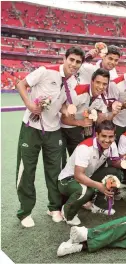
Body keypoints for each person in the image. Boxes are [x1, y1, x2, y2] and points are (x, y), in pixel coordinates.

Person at [16, 46, 85, 228]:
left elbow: (61, 105)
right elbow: (21, 85)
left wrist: (66, 111)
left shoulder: (72, 83)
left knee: (55, 171)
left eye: (78, 62)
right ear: (65, 58)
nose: (74, 64)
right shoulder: (45, 72)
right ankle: (25, 211)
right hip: (32, 127)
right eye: (71, 60)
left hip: (54, 130)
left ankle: (54, 208)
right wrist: (30, 105)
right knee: (27, 170)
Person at [58, 121, 123, 226]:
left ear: (114, 136)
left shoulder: (112, 145)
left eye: (110, 137)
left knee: (114, 174)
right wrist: (99, 186)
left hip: (88, 175)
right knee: (85, 190)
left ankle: (98, 205)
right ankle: (67, 211)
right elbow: (78, 176)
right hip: (68, 180)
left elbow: (115, 163)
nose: (107, 140)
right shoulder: (85, 147)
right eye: (104, 136)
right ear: (97, 135)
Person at [61, 68, 121, 167]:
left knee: (77, 161)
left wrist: (113, 114)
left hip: (77, 130)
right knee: (60, 161)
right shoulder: (77, 93)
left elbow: (101, 121)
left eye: (105, 84)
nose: (101, 87)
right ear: (92, 81)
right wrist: (81, 123)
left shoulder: (103, 99)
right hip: (62, 128)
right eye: (98, 82)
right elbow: (63, 118)